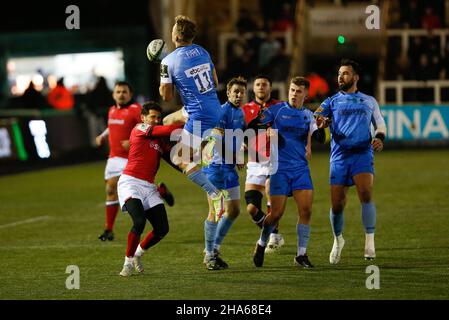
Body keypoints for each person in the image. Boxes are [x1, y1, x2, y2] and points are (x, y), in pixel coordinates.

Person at [314, 59, 386, 264]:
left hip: (362, 154)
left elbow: (380, 123)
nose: (340, 77)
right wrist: (320, 123)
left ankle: (369, 242)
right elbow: (315, 117)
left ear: (355, 77)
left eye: (345, 73)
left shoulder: (369, 100)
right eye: (339, 73)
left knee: (365, 193)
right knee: (337, 205)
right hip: (339, 157)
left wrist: (379, 138)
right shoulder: (331, 101)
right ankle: (338, 240)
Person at [253, 77, 325, 268]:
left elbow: (319, 138)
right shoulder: (276, 110)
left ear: (306, 95)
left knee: (306, 211)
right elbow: (254, 125)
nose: (294, 94)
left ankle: (301, 255)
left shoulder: (308, 116)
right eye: (292, 90)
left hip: (300, 170)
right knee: (276, 214)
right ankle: (261, 243)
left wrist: (323, 128)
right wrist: (265, 131)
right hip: (279, 170)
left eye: (298, 91)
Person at [159, 15, 226, 218]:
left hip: (199, 114)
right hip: (214, 106)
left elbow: (167, 96)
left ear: (177, 35)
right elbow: (214, 81)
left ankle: (214, 192)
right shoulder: (202, 51)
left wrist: (163, 78)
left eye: (172, 29)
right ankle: (200, 159)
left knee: (179, 157)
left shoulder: (167, 62)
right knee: (166, 121)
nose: (171, 32)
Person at [96, 81, 174, 241]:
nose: (121, 94)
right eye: (118, 92)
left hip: (130, 158)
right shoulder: (111, 110)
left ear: (130, 95)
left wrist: (132, 142)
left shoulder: (135, 110)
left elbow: (146, 126)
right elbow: (111, 126)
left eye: (124, 92)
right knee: (110, 191)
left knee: (118, 187)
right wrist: (103, 136)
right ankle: (109, 229)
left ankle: (154, 197)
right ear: (113, 94)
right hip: (113, 156)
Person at [117, 102, 182, 276]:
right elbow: (165, 130)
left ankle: (138, 254)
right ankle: (128, 262)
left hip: (148, 186)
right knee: (139, 221)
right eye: (153, 117)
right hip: (130, 182)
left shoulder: (160, 141)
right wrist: (186, 125)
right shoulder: (140, 128)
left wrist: (189, 169)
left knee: (162, 229)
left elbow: (174, 159)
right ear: (143, 117)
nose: (156, 120)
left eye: (158, 117)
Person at [202, 77, 248, 270]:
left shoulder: (240, 113)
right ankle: (208, 255)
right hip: (215, 168)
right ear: (228, 92)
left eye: (241, 92)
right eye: (235, 91)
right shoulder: (222, 112)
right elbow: (216, 141)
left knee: (234, 210)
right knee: (215, 211)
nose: (238, 95)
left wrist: (240, 149)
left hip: (228, 169)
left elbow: (237, 136)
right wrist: (235, 156)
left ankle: (215, 249)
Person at [242, 75, 284, 253]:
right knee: (251, 208)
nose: (261, 87)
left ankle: (273, 235)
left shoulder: (280, 107)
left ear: (270, 88)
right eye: (258, 84)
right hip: (254, 162)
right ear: (253, 88)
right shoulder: (245, 110)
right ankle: (271, 232)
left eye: (264, 85)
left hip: (274, 159)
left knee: (269, 189)